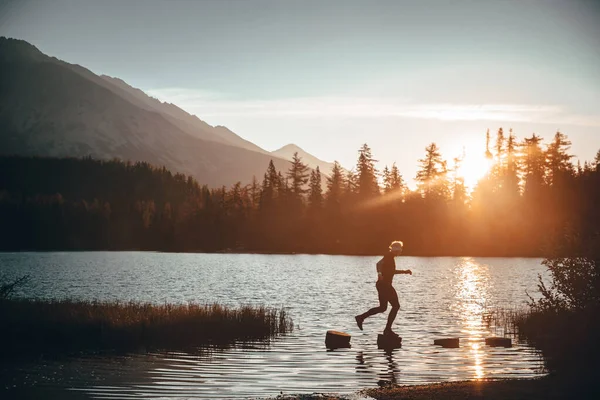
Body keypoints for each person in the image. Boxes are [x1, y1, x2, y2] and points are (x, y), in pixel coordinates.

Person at [355, 241, 412, 336]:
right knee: (396, 306)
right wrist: (404, 271)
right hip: (385, 285)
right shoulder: (389, 257)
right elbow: (389, 270)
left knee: (383, 308)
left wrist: (380, 274)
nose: (400, 252)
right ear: (397, 250)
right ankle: (387, 329)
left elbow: (378, 264)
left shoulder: (389, 256)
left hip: (382, 285)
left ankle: (361, 317)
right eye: (400, 250)